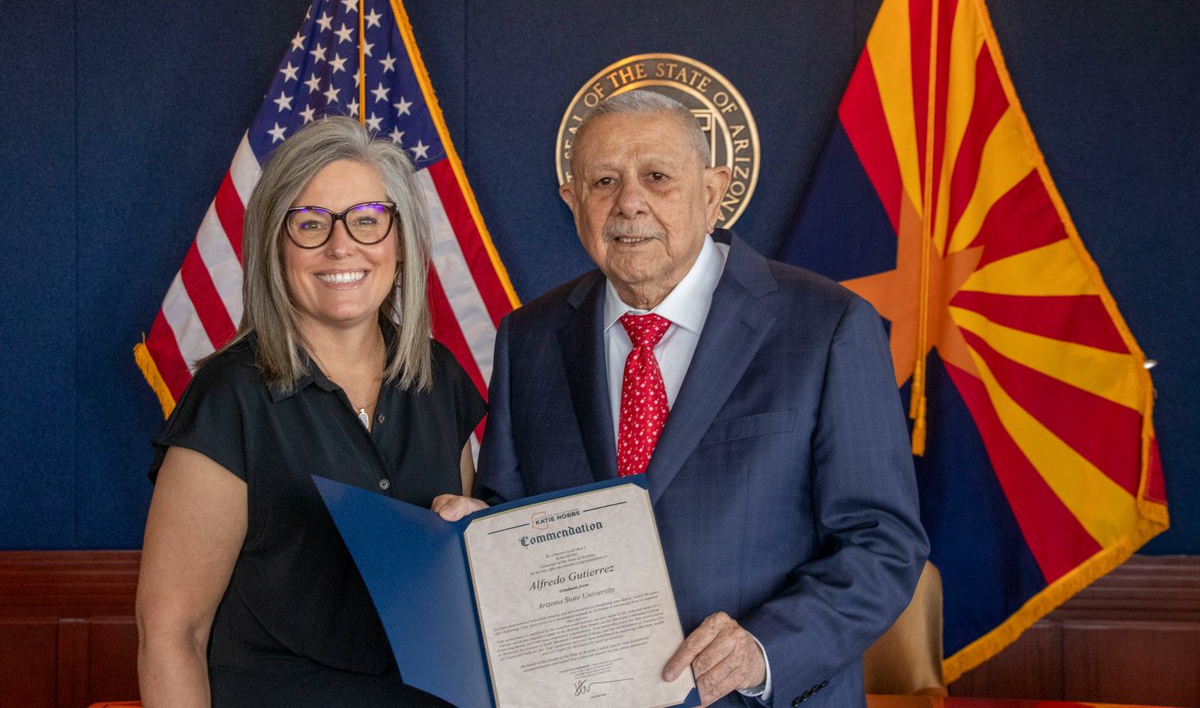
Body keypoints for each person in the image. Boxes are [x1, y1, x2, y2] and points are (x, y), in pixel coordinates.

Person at [440, 91, 929, 707]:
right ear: (572, 200)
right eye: (604, 181)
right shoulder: (529, 337)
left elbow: (881, 543)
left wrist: (763, 651)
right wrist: (473, 533)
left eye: (657, 176)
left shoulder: (828, 326)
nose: (629, 203)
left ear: (713, 189)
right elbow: (510, 518)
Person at [136, 117, 482, 708]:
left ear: (399, 242)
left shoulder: (437, 377)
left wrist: (476, 539)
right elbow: (172, 634)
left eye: (367, 221)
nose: (341, 245)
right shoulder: (231, 398)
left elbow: (453, 588)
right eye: (310, 224)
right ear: (275, 244)